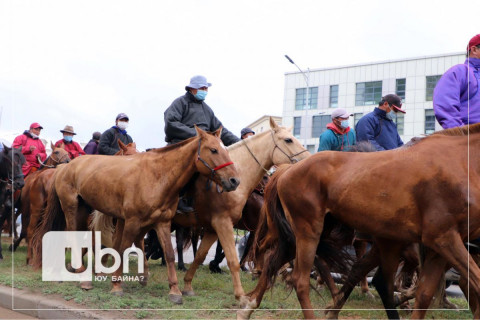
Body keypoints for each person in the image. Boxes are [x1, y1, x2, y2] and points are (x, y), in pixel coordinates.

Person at [164, 75, 240, 212]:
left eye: (206, 88)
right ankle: (176, 198)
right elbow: (171, 123)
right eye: (202, 88)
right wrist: (198, 135)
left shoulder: (207, 110)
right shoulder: (180, 103)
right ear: (192, 88)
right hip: (181, 147)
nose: (205, 90)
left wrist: (241, 143)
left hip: (203, 147)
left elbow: (221, 130)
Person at [433, 34, 480, 129]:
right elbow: (445, 105)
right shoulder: (460, 72)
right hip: (470, 138)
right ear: (474, 50)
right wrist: (461, 134)